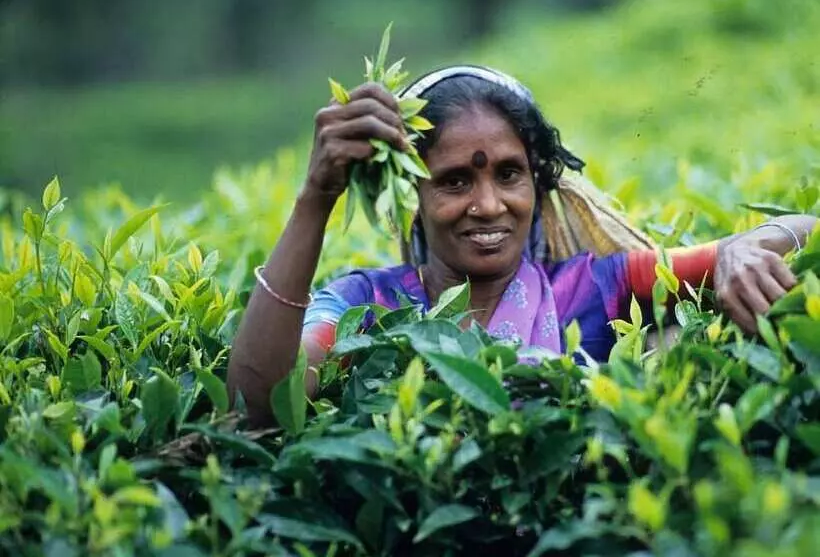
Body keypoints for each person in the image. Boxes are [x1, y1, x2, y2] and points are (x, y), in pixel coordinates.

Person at [228, 65, 817, 426]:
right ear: (412, 194)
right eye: (455, 180)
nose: (488, 205)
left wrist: (745, 247)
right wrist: (315, 197)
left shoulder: (594, 288)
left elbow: (806, 228)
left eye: (509, 175)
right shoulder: (367, 306)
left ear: (537, 182)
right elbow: (260, 405)